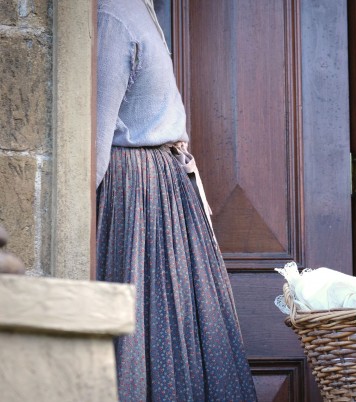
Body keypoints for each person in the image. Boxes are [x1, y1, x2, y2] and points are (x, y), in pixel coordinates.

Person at [96, 0, 257, 400]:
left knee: (174, 325)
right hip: (137, 196)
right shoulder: (114, 14)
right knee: (145, 326)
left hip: (160, 194)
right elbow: (93, 148)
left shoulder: (135, 10)